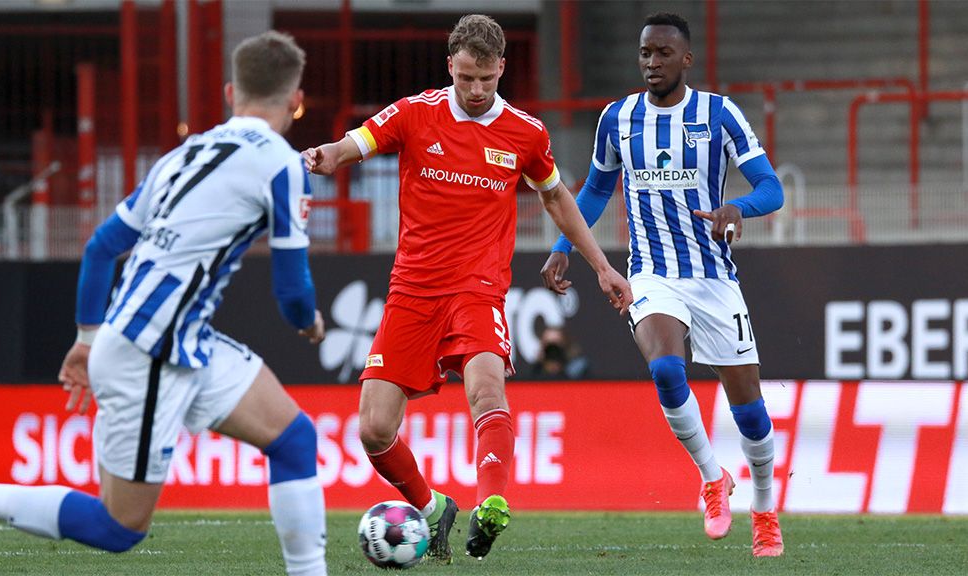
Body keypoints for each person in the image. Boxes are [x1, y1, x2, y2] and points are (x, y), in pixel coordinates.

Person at [0, 31, 328, 575]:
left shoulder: (185, 154)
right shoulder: (284, 164)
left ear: (231, 93)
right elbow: (292, 293)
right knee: (118, 528)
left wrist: (87, 340)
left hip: (176, 342)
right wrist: (311, 322)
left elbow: (101, 248)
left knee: (294, 439)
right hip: (150, 353)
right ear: (296, 101)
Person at [304, 14, 630, 561]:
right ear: (449, 67)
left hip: (477, 289)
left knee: (486, 389)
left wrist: (599, 265)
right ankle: (434, 510)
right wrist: (325, 156)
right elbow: (354, 143)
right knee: (374, 430)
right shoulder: (414, 113)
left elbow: (555, 198)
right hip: (412, 290)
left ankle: (492, 502)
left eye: (486, 78)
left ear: (502, 67)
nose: (476, 90)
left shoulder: (525, 132)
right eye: (465, 78)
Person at [541, 12, 785, 558]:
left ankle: (766, 510)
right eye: (645, 53)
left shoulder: (719, 114)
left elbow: (772, 188)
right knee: (666, 369)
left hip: (714, 278)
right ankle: (712, 478)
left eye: (663, 53)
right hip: (651, 273)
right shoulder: (618, 118)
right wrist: (563, 247)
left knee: (749, 409)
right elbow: (596, 190)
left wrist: (736, 207)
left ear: (686, 59)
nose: (652, 63)